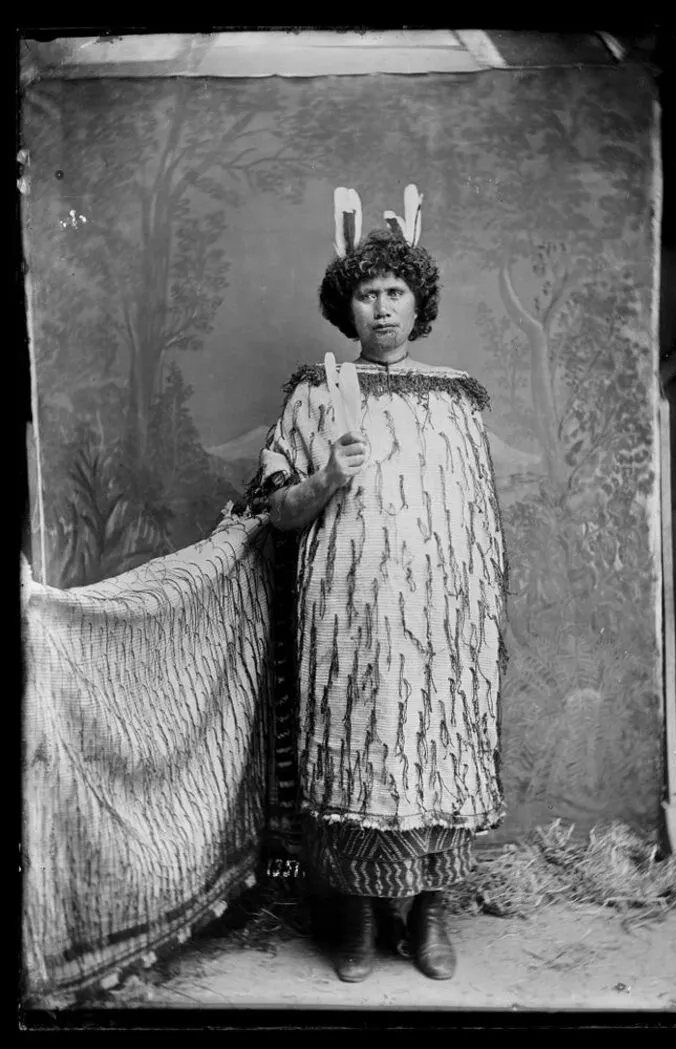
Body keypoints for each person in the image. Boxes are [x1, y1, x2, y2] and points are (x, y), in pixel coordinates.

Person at [234, 186, 507, 982]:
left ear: (417, 303)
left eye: (395, 293)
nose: (381, 308)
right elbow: (278, 512)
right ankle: (353, 916)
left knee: (435, 751)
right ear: (344, 307)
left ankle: (427, 913)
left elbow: (476, 520)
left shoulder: (456, 398)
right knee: (359, 753)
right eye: (366, 293)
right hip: (347, 621)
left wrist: (469, 611)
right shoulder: (314, 394)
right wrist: (327, 476)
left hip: (445, 625)